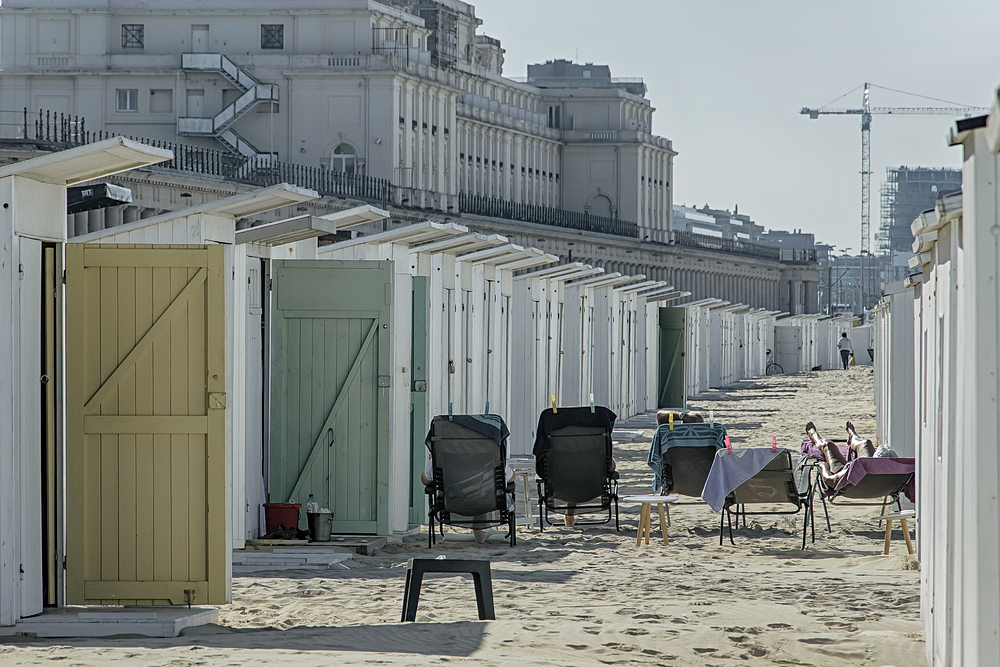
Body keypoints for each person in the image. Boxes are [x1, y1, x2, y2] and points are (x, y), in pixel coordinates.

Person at [421, 454, 514, 544]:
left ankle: (481, 530)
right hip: (486, 504)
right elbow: (511, 478)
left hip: (450, 506)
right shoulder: (493, 458)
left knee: (475, 495)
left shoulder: (440, 458)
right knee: (483, 494)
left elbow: (425, 480)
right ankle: (482, 530)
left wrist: (432, 462)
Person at [804, 420, 875, 488]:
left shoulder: (846, 476)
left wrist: (824, 466)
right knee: (866, 443)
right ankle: (854, 438)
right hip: (873, 476)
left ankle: (815, 437)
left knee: (828, 445)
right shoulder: (884, 467)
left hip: (848, 477)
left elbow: (829, 481)